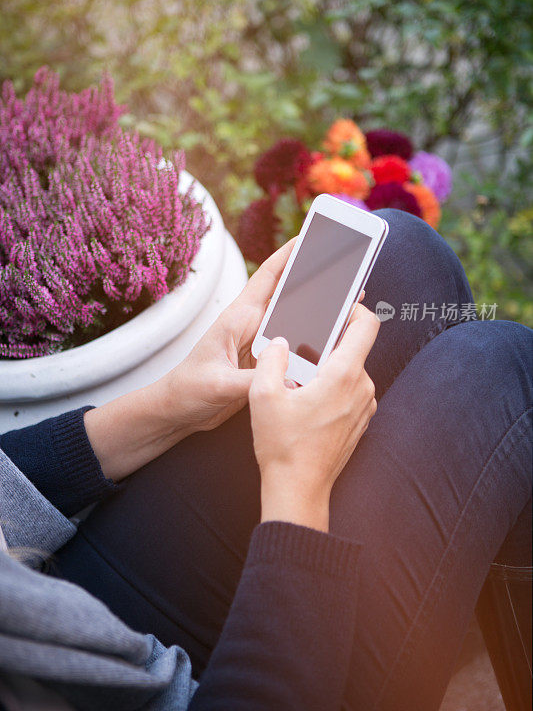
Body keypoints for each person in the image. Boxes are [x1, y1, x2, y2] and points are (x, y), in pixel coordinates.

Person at [0, 209, 531, 711]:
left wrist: (170, 404)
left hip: (57, 610)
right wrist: (297, 484)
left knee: (402, 256)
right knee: (503, 368)